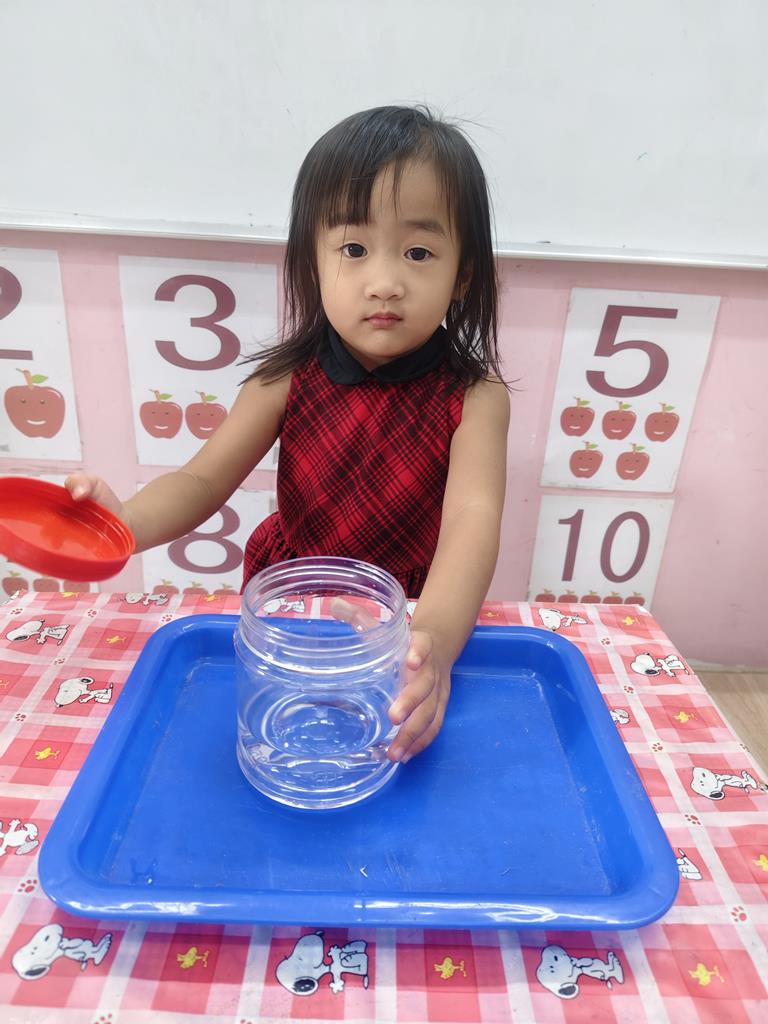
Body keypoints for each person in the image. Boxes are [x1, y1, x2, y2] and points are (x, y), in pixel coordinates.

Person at [66, 105, 510, 764]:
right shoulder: (283, 380)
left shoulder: (474, 396)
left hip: (413, 609)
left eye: (419, 252)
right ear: (313, 262)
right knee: (282, 743)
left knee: (379, 753)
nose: (385, 283)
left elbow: (473, 517)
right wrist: (122, 523)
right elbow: (201, 480)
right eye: (354, 249)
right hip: (294, 606)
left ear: (463, 274)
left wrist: (433, 645)